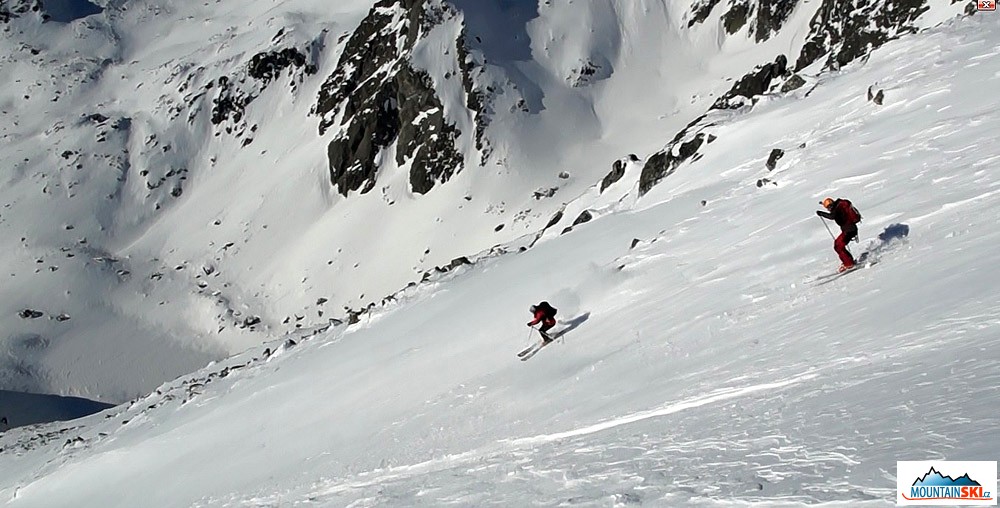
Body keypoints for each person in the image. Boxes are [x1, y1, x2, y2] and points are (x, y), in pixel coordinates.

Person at [816, 197, 862, 272]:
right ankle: (849, 261)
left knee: (838, 246)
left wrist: (821, 213)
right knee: (838, 245)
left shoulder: (837, 208)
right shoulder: (840, 205)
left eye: (828, 207)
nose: (829, 209)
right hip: (850, 229)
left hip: (848, 230)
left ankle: (849, 263)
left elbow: (832, 216)